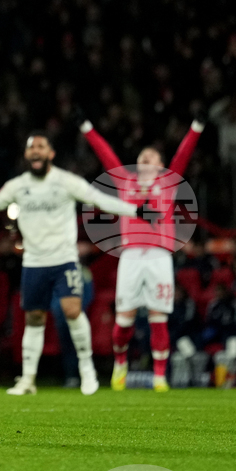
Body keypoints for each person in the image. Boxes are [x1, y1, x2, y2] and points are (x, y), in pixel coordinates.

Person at [0, 133, 140, 395]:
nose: (36, 151)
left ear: (51, 153)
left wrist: (136, 211)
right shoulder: (18, 186)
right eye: (32, 147)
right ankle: (28, 379)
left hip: (64, 260)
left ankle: (87, 370)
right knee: (34, 317)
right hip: (34, 263)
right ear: (27, 155)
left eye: (41, 146)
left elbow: (100, 199)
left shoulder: (66, 181)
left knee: (72, 311)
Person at [77, 109, 203, 392]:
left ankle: (159, 376)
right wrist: (86, 127)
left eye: (152, 156)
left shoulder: (169, 181)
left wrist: (197, 126)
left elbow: (184, 153)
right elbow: (105, 154)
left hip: (159, 255)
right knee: (124, 320)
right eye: (142, 156)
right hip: (131, 255)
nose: (145, 158)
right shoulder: (126, 182)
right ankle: (120, 363)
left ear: (161, 165)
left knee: (158, 317)